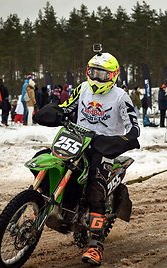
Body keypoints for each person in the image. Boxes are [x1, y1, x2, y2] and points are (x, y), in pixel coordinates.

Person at [52, 52, 139, 265]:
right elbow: (67, 108)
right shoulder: (82, 88)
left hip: (104, 148)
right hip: (77, 140)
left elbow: (133, 126)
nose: (98, 78)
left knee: (95, 188)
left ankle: (95, 245)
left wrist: (124, 139)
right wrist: (53, 112)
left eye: (103, 74)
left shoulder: (121, 97)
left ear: (113, 75)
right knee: (48, 159)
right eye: (94, 73)